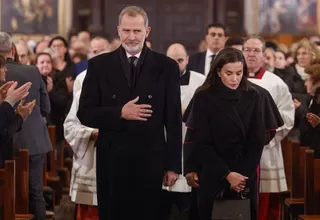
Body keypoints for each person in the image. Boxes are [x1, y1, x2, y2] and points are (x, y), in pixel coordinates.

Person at [77, 6, 182, 220]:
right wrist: (119, 113)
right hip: (112, 160)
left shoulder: (167, 66)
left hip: (151, 160)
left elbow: (173, 120)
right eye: (126, 30)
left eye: (137, 31)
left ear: (147, 31)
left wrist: (173, 166)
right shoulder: (98, 65)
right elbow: (84, 113)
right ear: (118, 30)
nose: (131, 37)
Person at [184, 48, 266, 220]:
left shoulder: (253, 96)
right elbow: (202, 143)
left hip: (244, 173)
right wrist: (227, 174)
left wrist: (241, 177)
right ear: (218, 71)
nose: (234, 79)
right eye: (229, 73)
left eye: (239, 72)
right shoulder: (203, 97)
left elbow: (256, 142)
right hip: (212, 172)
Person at [0, 32, 52, 220]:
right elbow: (46, 107)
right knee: (35, 193)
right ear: (13, 50)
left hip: (5, 143)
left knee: (6, 194)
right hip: (33, 142)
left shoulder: (7, 74)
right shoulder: (32, 71)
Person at [243, 35, 295, 220]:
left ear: (264, 55)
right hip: (236, 151)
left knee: (265, 200)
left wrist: (265, 137)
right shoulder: (231, 78)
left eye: (256, 50)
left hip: (266, 150)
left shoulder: (276, 83)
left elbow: (287, 117)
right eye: (247, 50)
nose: (251, 54)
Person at [64, 40, 109, 220]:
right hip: (90, 157)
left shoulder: (123, 78)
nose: (97, 55)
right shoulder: (82, 78)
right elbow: (70, 125)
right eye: (94, 51)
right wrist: (91, 132)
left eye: (102, 51)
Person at [163, 43, 205, 219]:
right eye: (171, 61)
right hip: (166, 145)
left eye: (179, 60)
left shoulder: (201, 81)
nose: (175, 65)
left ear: (187, 60)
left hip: (192, 145)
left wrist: (188, 113)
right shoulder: (156, 80)